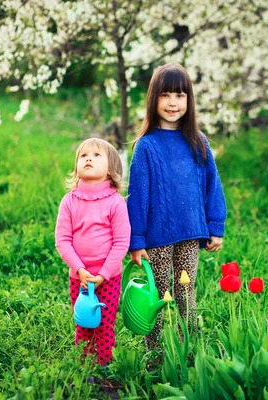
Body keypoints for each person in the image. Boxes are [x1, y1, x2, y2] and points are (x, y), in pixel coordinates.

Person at [127, 64, 227, 351]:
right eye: (166, 95)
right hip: (157, 237)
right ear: (153, 99)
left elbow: (213, 185)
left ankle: (189, 346)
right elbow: (137, 197)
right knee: (158, 293)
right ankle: (154, 351)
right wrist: (137, 241)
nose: (173, 103)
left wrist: (215, 226)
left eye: (180, 95)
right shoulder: (146, 146)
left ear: (189, 100)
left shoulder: (198, 141)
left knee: (186, 290)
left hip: (190, 233)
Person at [55, 137, 131, 366]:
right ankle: (84, 365)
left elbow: (121, 242)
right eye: (83, 155)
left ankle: (106, 365)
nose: (88, 158)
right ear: (76, 166)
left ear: (111, 169)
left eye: (97, 155)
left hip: (107, 277)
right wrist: (79, 269)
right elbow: (62, 240)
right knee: (84, 321)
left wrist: (103, 274)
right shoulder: (69, 201)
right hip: (79, 278)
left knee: (105, 324)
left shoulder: (115, 203)